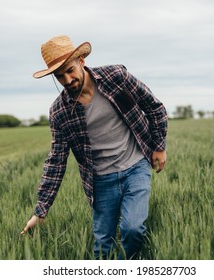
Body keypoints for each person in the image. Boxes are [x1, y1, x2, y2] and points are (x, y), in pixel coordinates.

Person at [21, 35, 168, 259]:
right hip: (100, 180)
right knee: (103, 245)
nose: (67, 80)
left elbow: (154, 107)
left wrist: (159, 146)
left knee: (133, 229)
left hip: (135, 166)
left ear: (81, 61)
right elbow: (56, 161)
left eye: (70, 70)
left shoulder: (116, 77)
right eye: (60, 76)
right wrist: (41, 210)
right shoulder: (60, 112)